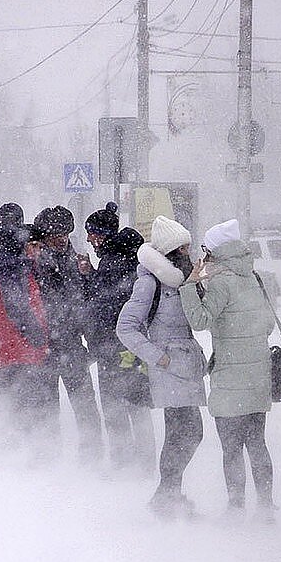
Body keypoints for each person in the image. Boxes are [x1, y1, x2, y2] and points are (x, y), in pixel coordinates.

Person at [179, 219, 277, 521]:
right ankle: (265, 508)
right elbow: (268, 323)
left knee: (232, 448)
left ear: (216, 252)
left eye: (206, 250)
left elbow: (200, 320)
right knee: (257, 443)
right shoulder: (255, 277)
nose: (203, 256)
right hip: (259, 373)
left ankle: (235, 508)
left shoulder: (221, 282)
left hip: (230, 379)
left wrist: (189, 285)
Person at [116, 216, 207, 517]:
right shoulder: (149, 282)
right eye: (184, 248)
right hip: (168, 368)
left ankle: (168, 495)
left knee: (187, 432)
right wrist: (159, 357)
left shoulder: (183, 281)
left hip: (186, 366)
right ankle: (167, 496)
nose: (188, 253)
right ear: (171, 252)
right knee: (186, 431)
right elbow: (126, 327)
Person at [82, 202, 156, 473]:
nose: (89, 239)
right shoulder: (126, 259)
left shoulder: (114, 263)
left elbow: (104, 307)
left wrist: (89, 280)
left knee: (115, 406)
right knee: (136, 403)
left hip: (113, 348)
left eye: (92, 233)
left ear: (104, 235)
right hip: (132, 348)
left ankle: (125, 465)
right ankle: (145, 463)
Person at [27, 205, 104, 461]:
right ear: (44, 235)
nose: (62, 238)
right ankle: (47, 461)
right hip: (45, 345)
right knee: (46, 407)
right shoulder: (34, 261)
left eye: (66, 233)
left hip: (71, 344)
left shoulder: (75, 260)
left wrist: (89, 274)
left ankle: (91, 460)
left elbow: (90, 300)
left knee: (85, 406)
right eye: (55, 234)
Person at [0, 203, 52, 430]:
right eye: (35, 245)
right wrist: (37, 337)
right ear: (23, 244)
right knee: (26, 412)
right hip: (18, 351)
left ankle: (17, 456)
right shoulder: (13, 268)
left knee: (14, 410)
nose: (38, 251)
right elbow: (17, 306)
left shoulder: (6, 264)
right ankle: (25, 459)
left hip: (8, 350)